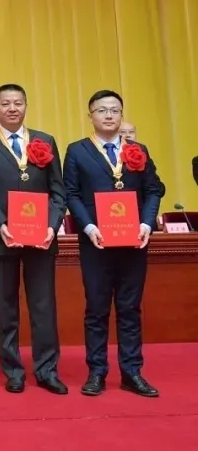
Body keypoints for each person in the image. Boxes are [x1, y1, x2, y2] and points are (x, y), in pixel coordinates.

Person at [0, 84, 68, 394]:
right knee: (6, 307)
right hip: (1, 238)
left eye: (18, 102)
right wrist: (1, 224)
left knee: (43, 306)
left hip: (41, 239)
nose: (12, 108)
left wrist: (51, 226)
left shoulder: (44, 140)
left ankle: (47, 370)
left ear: (26, 106)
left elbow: (58, 191)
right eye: (6, 103)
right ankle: (13, 370)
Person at [63, 90, 164, 398]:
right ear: (90, 116)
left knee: (130, 309)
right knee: (96, 309)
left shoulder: (138, 150)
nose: (109, 115)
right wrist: (88, 226)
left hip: (134, 243)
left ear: (121, 115)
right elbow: (71, 193)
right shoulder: (77, 151)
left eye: (115, 110)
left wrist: (146, 223)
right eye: (102, 110)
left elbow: (153, 190)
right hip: (96, 243)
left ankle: (132, 372)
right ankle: (97, 372)